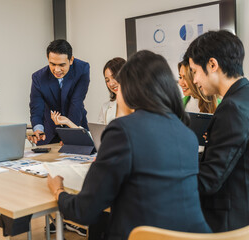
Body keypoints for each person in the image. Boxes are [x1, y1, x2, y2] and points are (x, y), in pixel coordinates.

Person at [47, 50, 211, 239]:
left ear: (131, 90)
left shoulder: (122, 130)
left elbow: (84, 211)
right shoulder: (186, 133)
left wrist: (58, 190)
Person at [184, 30, 249, 232]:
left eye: (194, 71)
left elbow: (209, 181)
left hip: (228, 225)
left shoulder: (232, 109)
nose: (194, 81)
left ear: (212, 64)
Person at [28, 39, 90, 145]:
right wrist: (38, 129)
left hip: (74, 125)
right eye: (52, 64)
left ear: (71, 60)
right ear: (48, 58)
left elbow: (76, 103)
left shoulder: (82, 69)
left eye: (61, 65)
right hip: (49, 133)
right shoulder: (38, 78)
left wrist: (69, 135)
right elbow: (36, 108)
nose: (57, 70)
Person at [50, 57, 131, 128]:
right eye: (107, 80)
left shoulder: (139, 104)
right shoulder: (106, 107)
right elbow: (96, 137)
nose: (111, 83)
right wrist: (67, 122)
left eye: (114, 77)